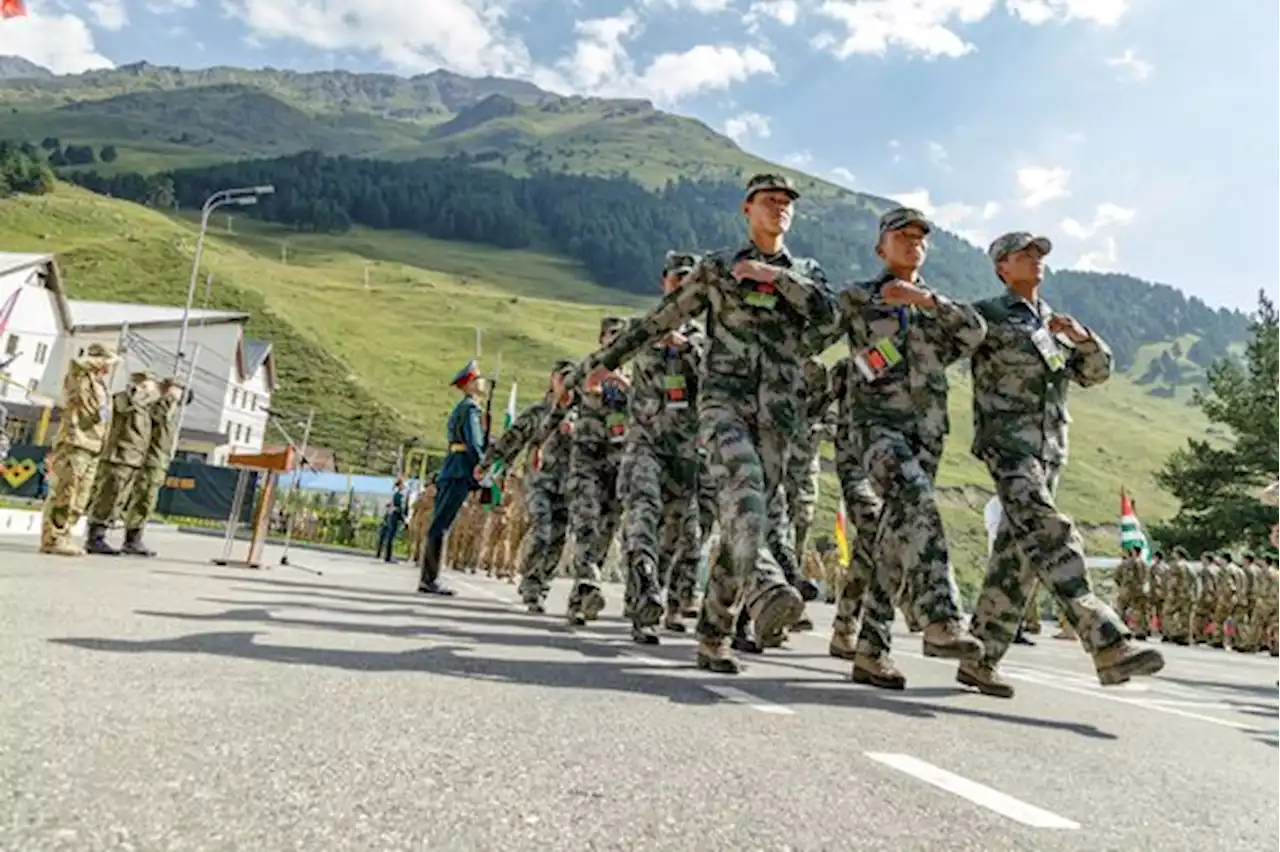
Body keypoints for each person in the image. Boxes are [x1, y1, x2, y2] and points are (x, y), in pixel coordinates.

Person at [562, 172, 840, 673]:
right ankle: (770, 590)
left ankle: (714, 631)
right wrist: (597, 365)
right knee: (747, 500)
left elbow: (828, 322)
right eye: (769, 201)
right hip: (723, 408)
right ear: (746, 209)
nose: (780, 208)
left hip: (779, 415)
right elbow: (662, 318)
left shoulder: (806, 272)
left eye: (786, 203)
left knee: (745, 524)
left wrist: (777, 279)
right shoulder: (717, 269)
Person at [962, 231, 1164, 697]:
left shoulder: (1054, 322)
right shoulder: (988, 315)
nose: (1036, 260)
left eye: (1039, 254)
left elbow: (1096, 373)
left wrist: (1082, 338)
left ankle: (980, 656)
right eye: (1024, 254)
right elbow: (945, 344)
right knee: (1052, 532)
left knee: (1017, 557)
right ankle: (1106, 642)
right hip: (1008, 446)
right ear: (1001, 267)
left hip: (1050, 449)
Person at [804, 206, 987, 689]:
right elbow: (808, 340)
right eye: (902, 235)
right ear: (880, 247)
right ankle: (940, 616)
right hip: (873, 428)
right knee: (916, 499)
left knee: (891, 538)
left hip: (927, 432)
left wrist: (928, 302)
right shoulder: (858, 297)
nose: (913, 243)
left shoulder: (935, 304)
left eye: (920, 237)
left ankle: (871, 649)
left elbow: (974, 333)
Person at [620, 251, 707, 643]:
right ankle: (644, 596)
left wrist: (686, 349)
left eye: (689, 279)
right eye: (676, 278)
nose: (682, 284)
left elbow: (717, 378)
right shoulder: (644, 327)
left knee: (676, 531)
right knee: (643, 512)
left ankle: (662, 597)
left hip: (685, 449)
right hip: (644, 442)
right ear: (664, 281)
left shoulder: (706, 340)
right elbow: (610, 355)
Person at [418, 360, 487, 596]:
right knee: (441, 524)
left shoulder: (466, 408)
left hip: (454, 469)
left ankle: (429, 577)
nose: (483, 381)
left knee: (441, 523)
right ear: (470, 384)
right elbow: (474, 443)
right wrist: (483, 466)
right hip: (459, 471)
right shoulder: (470, 409)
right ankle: (429, 578)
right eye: (479, 378)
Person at [41, 343, 118, 556]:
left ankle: (65, 534)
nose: (109, 368)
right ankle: (53, 537)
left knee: (80, 496)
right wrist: (91, 362)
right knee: (66, 491)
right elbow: (77, 371)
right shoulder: (79, 376)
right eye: (107, 362)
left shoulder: (100, 384)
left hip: (93, 444)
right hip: (75, 441)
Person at [86, 371, 160, 555]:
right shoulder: (123, 399)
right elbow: (121, 408)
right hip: (117, 457)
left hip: (133, 460)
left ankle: (109, 538)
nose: (151, 392)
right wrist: (135, 392)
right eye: (149, 386)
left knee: (118, 500)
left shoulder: (143, 407)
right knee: (107, 497)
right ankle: (95, 537)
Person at [120, 377, 185, 557]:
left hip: (159, 460)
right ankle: (131, 538)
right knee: (144, 498)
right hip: (149, 459)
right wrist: (167, 399)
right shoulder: (157, 406)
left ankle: (135, 536)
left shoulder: (167, 409)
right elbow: (158, 419)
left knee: (148, 500)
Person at [377, 477, 408, 562]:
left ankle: (387, 555)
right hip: (395, 516)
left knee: (390, 536)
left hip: (392, 515)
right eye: (403, 484)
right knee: (391, 536)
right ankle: (388, 556)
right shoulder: (398, 495)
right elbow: (399, 508)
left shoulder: (396, 493)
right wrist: (404, 518)